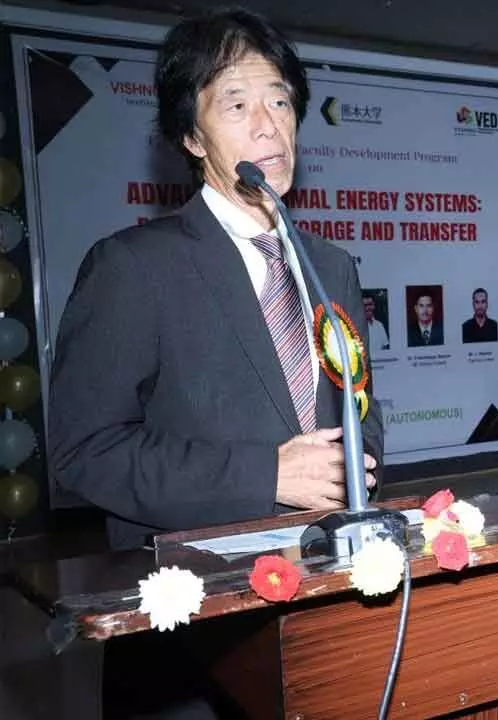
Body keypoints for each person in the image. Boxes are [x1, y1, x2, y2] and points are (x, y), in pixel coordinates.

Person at [46, 8, 383, 718]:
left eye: (281, 99)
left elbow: (359, 406)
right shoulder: (133, 267)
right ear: (191, 136)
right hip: (195, 637)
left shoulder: (332, 267)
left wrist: (356, 462)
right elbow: (85, 451)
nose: (269, 123)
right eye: (237, 103)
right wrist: (268, 475)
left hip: (333, 605)